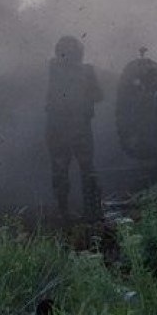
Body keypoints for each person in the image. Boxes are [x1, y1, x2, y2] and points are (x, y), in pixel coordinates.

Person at [45, 36, 104, 222]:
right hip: (80, 129)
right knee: (87, 170)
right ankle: (92, 211)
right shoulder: (86, 71)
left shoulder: (52, 69)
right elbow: (99, 95)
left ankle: (62, 211)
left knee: (60, 170)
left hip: (57, 128)